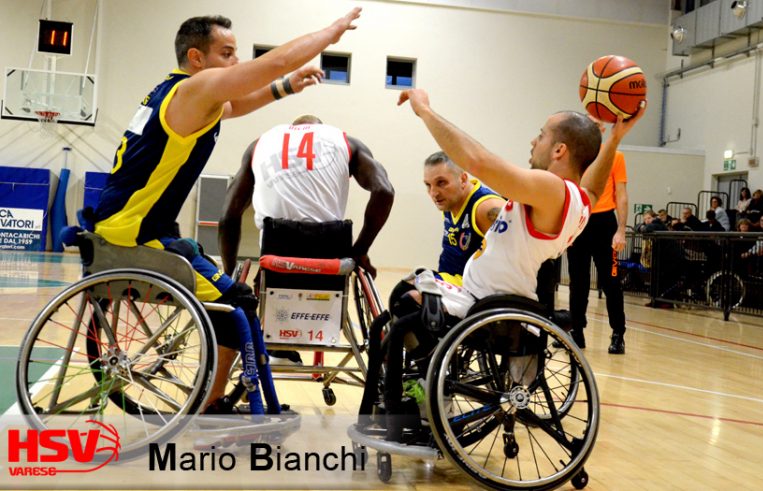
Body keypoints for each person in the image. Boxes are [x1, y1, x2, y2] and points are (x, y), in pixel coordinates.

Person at [92, 9, 363, 410]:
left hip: (132, 227)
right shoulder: (193, 89)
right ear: (197, 58)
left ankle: (218, 396)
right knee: (238, 301)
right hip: (135, 235)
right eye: (227, 52)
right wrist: (331, 32)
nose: (235, 61)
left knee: (232, 297)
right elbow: (274, 62)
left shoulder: (176, 93)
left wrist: (286, 88)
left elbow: (234, 107)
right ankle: (211, 404)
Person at [378, 88, 644, 440]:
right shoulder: (580, 201)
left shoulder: (552, 189)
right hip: (487, 297)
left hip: (484, 305)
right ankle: (428, 391)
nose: (533, 140)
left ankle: (427, 398)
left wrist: (425, 111)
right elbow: (594, 190)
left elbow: (480, 163)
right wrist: (615, 138)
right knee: (407, 295)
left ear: (559, 150)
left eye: (542, 134)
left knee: (401, 312)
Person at [219, 115, 394, 365]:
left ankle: (276, 347)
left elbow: (228, 216)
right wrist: (359, 251)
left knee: (265, 270)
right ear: (321, 131)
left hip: (275, 260)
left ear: (291, 129)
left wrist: (228, 275)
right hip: (330, 264)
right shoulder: (345, 142)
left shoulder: (261, 143)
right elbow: (384, 191)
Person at [566, 118, 629, 354]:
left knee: (611, 281)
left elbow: (621, 194)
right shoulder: (575, 156)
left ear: (602, 128)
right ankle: (576, 331)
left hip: (604, 222)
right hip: (579, 221)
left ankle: (618, 333)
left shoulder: (615, 156)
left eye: (596, 123)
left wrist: (621, 230)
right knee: (578, 281)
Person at [423, 151, 504, 286]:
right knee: (407, 287)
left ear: (463, 179)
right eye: (428, 185)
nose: (434, 193)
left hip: (471, 289)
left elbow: (515, 260)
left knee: (406, 298)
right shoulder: (450, 201)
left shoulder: (486, 208)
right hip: (449, 279)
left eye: (441, 183)